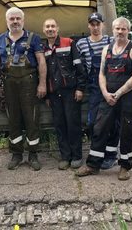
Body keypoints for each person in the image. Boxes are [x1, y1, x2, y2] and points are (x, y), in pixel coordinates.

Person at [76, 17, 132, 180]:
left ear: (128, 30)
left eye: (123, 29)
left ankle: (125, 166)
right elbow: (101, 73)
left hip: (126, 98)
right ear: (112, 30)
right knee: (99, 128)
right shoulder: (107, 49)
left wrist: (118, 94)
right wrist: (105, 93)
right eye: (117, 29)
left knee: (126, 131)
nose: (120, 32)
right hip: (108, 97)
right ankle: (93, 164)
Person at [0, 7, 46, 171]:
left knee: (31, 119)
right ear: (7, 21)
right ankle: (16, 154)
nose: (15, 21)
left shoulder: (33, 38)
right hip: (9, 84)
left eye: (18, 18)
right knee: (13, 119)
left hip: (29, 83)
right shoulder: (0, 40)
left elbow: (41, 61)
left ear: (23, 20)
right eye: (11, 19)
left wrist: (42, 83)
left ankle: (33, 155)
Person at [76, 13, 119, 170]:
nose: (95, 27)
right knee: (93, 122)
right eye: (92, 24)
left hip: (111, 85)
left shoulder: (111, 41)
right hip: (94, 88)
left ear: (102, 25)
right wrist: (80, 87)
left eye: (98, 24)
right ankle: (98, 154)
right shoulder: (81, 44)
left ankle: (111, 155)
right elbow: (78, 68)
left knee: (113, 122)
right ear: (88, 25)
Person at [42, 18, 87, 170]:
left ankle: (77, 156)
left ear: (57, 28)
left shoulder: (69, 43)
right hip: (54, 94)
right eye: (47, 27)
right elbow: (44, 74)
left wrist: (80, 88)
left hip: (70, 92)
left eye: (53, 26)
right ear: (44, 30)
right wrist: (47, 95)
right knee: (59, 125)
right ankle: (65, 157)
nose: (50, 29)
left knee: (73, 124)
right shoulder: (43, 49)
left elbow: (79, 66)